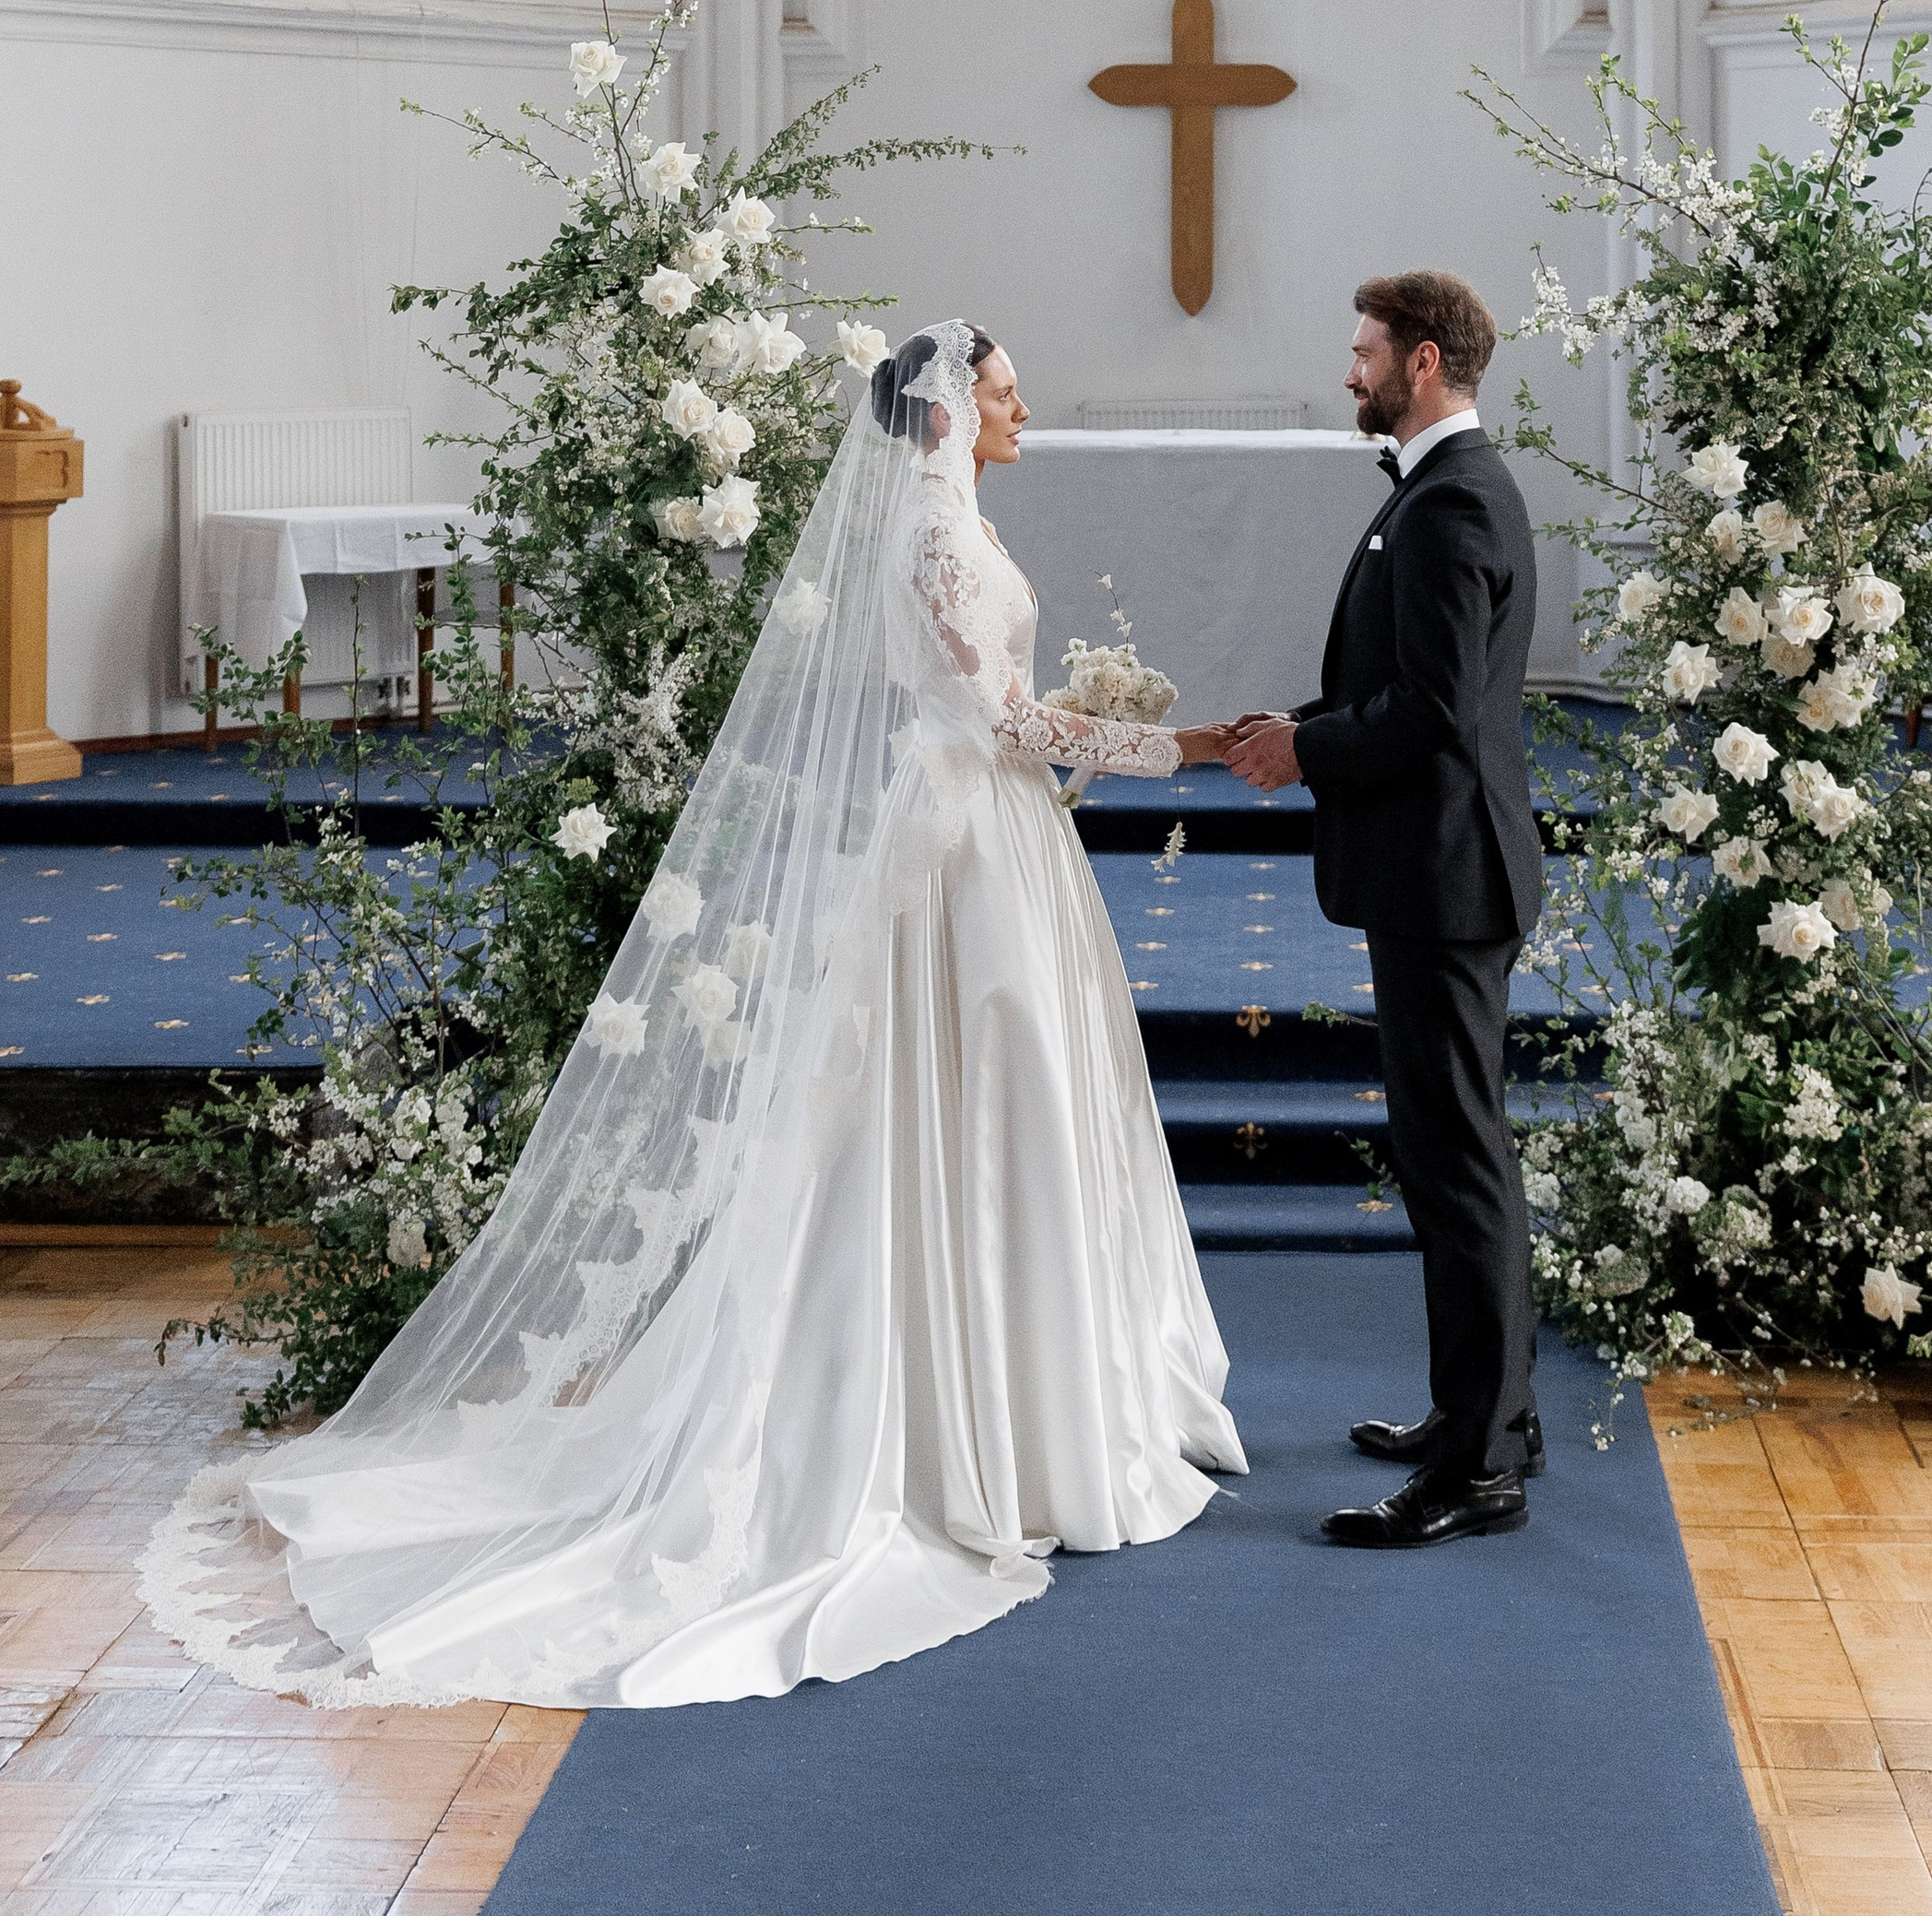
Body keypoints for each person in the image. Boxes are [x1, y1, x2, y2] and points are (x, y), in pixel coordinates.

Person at [147, 321, 1244, 1707]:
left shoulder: (943, 519)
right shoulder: (940, 537)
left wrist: (1090, 720)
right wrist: (1175, 742)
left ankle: (1018, 1393)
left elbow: (997, 713)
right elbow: (1008, 724)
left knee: (986, 1094)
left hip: (984, 838)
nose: (1025, 411)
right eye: (1009, 393)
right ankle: (985, 1420)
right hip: (970, 849)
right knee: (983, 1091)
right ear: (949, 415)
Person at [1224, 271, 1545, 1547]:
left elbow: (1432, 711)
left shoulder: (1451, 503)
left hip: (1445, 874)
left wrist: (1304, 752)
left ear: (1420, 362)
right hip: (1443, 867)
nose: (1347, 371)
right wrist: (1300, 728)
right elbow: (1412, 689)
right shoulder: (1443, 490)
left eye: (1361, 353)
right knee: (1457, 1153)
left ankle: (1475, 1465)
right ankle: (1489, 1416)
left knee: (1457, 1163)